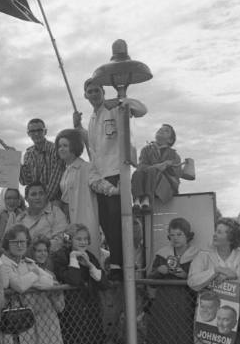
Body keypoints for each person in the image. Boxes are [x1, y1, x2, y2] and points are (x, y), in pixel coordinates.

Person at [74, 79, 146, 278]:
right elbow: (94, 146)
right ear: (85, 95)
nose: (94, 94)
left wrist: (123, 100)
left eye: (97, 90)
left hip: (117, 172)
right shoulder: (92, 118)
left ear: (103, 92)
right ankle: (116, 263)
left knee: (117, 222)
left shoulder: (114, 108)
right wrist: (79, 128)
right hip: (100, 176)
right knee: (106, 223)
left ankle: (120, 264)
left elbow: (141, 109)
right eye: (90, 91)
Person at [55, 128, 101, 258]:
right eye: (59, 146)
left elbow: (98, 184)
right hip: (69, 219)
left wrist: (115, 190)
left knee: (88, 253)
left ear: (74, 147)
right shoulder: (66, 170)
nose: (61, 149)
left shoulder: (86, 167)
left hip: (85, 215)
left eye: (65, 146)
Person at [131, 124, 181, 212]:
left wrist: (166, 167)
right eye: (160, 129)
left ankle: (147, 198)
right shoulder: (146, 150)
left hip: (164, 187)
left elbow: (176, 176)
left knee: (152, 171)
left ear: (170, 140)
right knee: (137, 173)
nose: (161, 130)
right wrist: (157, 166)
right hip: (147, 183)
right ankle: (137, 199)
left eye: (166, 131)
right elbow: (141, 166)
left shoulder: (174, 155)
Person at [19, 118, 65, 203]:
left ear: (45, 132)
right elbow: (25, 181)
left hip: (55, 203)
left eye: (39, 130)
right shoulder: (28, 154)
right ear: (28, 134)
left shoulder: (56, 150)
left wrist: (40, 204)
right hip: (37, 204)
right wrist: (16, 163)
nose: (36, 134)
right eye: (32, 131)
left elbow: (54, 184)